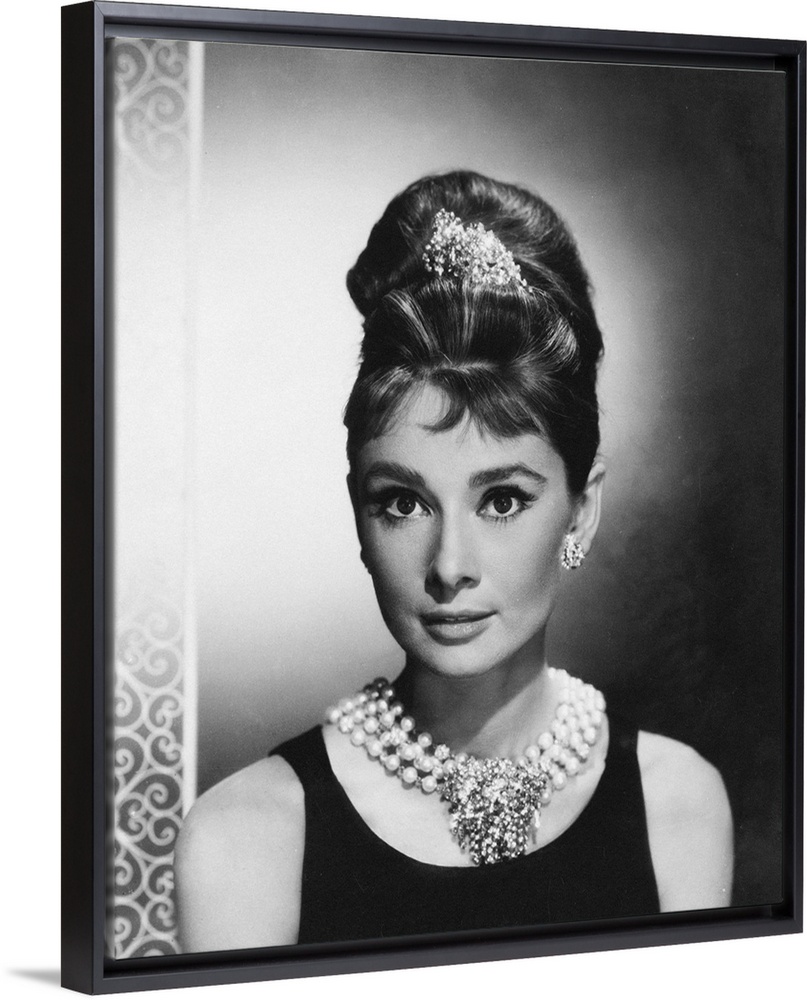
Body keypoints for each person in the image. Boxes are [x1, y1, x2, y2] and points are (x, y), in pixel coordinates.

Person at [175, 171, 733, 951]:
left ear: (581, 508)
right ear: (358, 511)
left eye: (501, 500)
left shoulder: (677, 804)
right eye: (403, 502)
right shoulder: (248, 836)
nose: (449, 566)